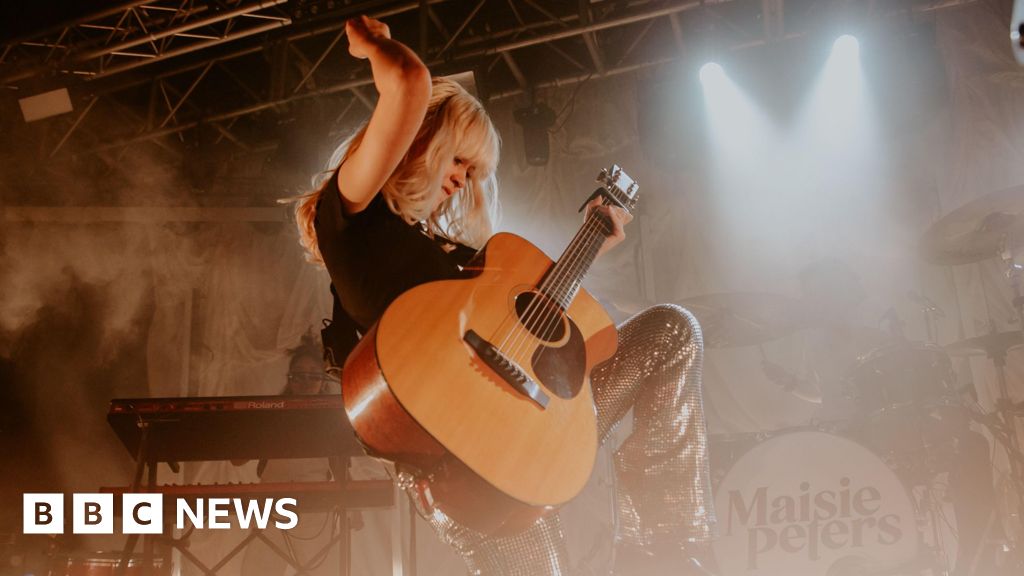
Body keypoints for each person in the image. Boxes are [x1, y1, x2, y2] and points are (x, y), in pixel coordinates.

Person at [292, 15, 716, 575]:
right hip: (462, 460)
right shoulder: (351, 216)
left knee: (671, 331)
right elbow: (410, 83)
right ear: (421, 138)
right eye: (458, 158)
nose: (462, 179)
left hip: (528, 422)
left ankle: (667, 552)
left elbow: (526, 331)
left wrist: (591, 245)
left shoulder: (451, 255)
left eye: (473, 171)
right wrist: (374, 45)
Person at [239, 334, 352, 576]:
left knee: (318, 570)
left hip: (315, 507)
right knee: (260, 570)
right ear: (290, 379)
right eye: (299, 375)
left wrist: (353, 506)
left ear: (323, 381)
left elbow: (341, 465)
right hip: (270, 504)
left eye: (313, 375)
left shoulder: (331, 418)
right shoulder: (272, 415)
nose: (305, 381)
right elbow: (237, 458)